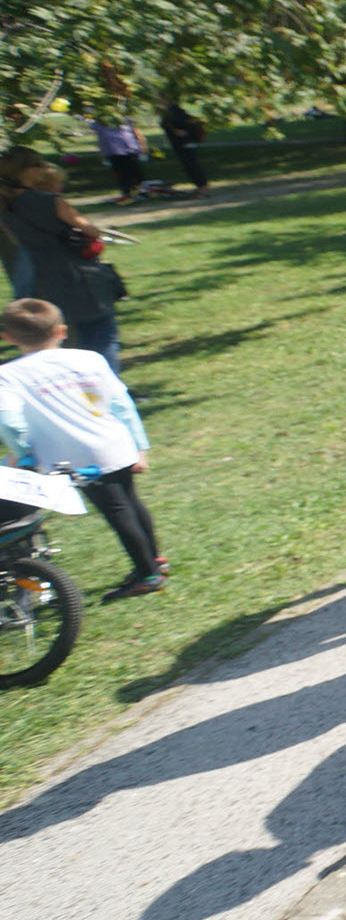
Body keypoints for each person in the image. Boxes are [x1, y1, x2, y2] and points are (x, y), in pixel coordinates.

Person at [0, 297, 165, 598]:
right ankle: (154, 559)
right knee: (130, 501)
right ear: (61, 331)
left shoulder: (9, 375)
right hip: (114, 441)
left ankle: (147, 574)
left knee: (117, 511)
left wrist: (24, 454)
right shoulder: (89, 359)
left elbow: (9, 423)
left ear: (7, 337)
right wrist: (139, 445)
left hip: (75, 455)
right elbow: (121, 403)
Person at [0, 152, 124, 372]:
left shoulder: (6, 204)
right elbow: (90, 229)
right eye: (37, 164)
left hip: (41, 275)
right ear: (25, 171)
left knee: (61, 339)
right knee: (101, 335)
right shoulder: (49, 201)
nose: (42, 169)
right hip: (77, 273)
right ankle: (106, 391)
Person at [157, 103, 210, 195]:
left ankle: (202, 186)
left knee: (191, 164)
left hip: (183, 142)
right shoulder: (171, 112)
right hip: (181, 143)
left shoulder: (174, 113)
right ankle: (201, 185)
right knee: (189, 165)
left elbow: (179, 127)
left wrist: (178, 132)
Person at [89, 120, 146, 203]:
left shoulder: (123, 119)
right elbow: (99, 135)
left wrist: (142, 145)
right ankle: (128, 193)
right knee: (122, 174)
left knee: (135, 172)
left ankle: (142, 192)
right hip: (113, 151)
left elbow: (135, 131)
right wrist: (102, 151)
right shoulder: (100, 121)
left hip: (130, 149)